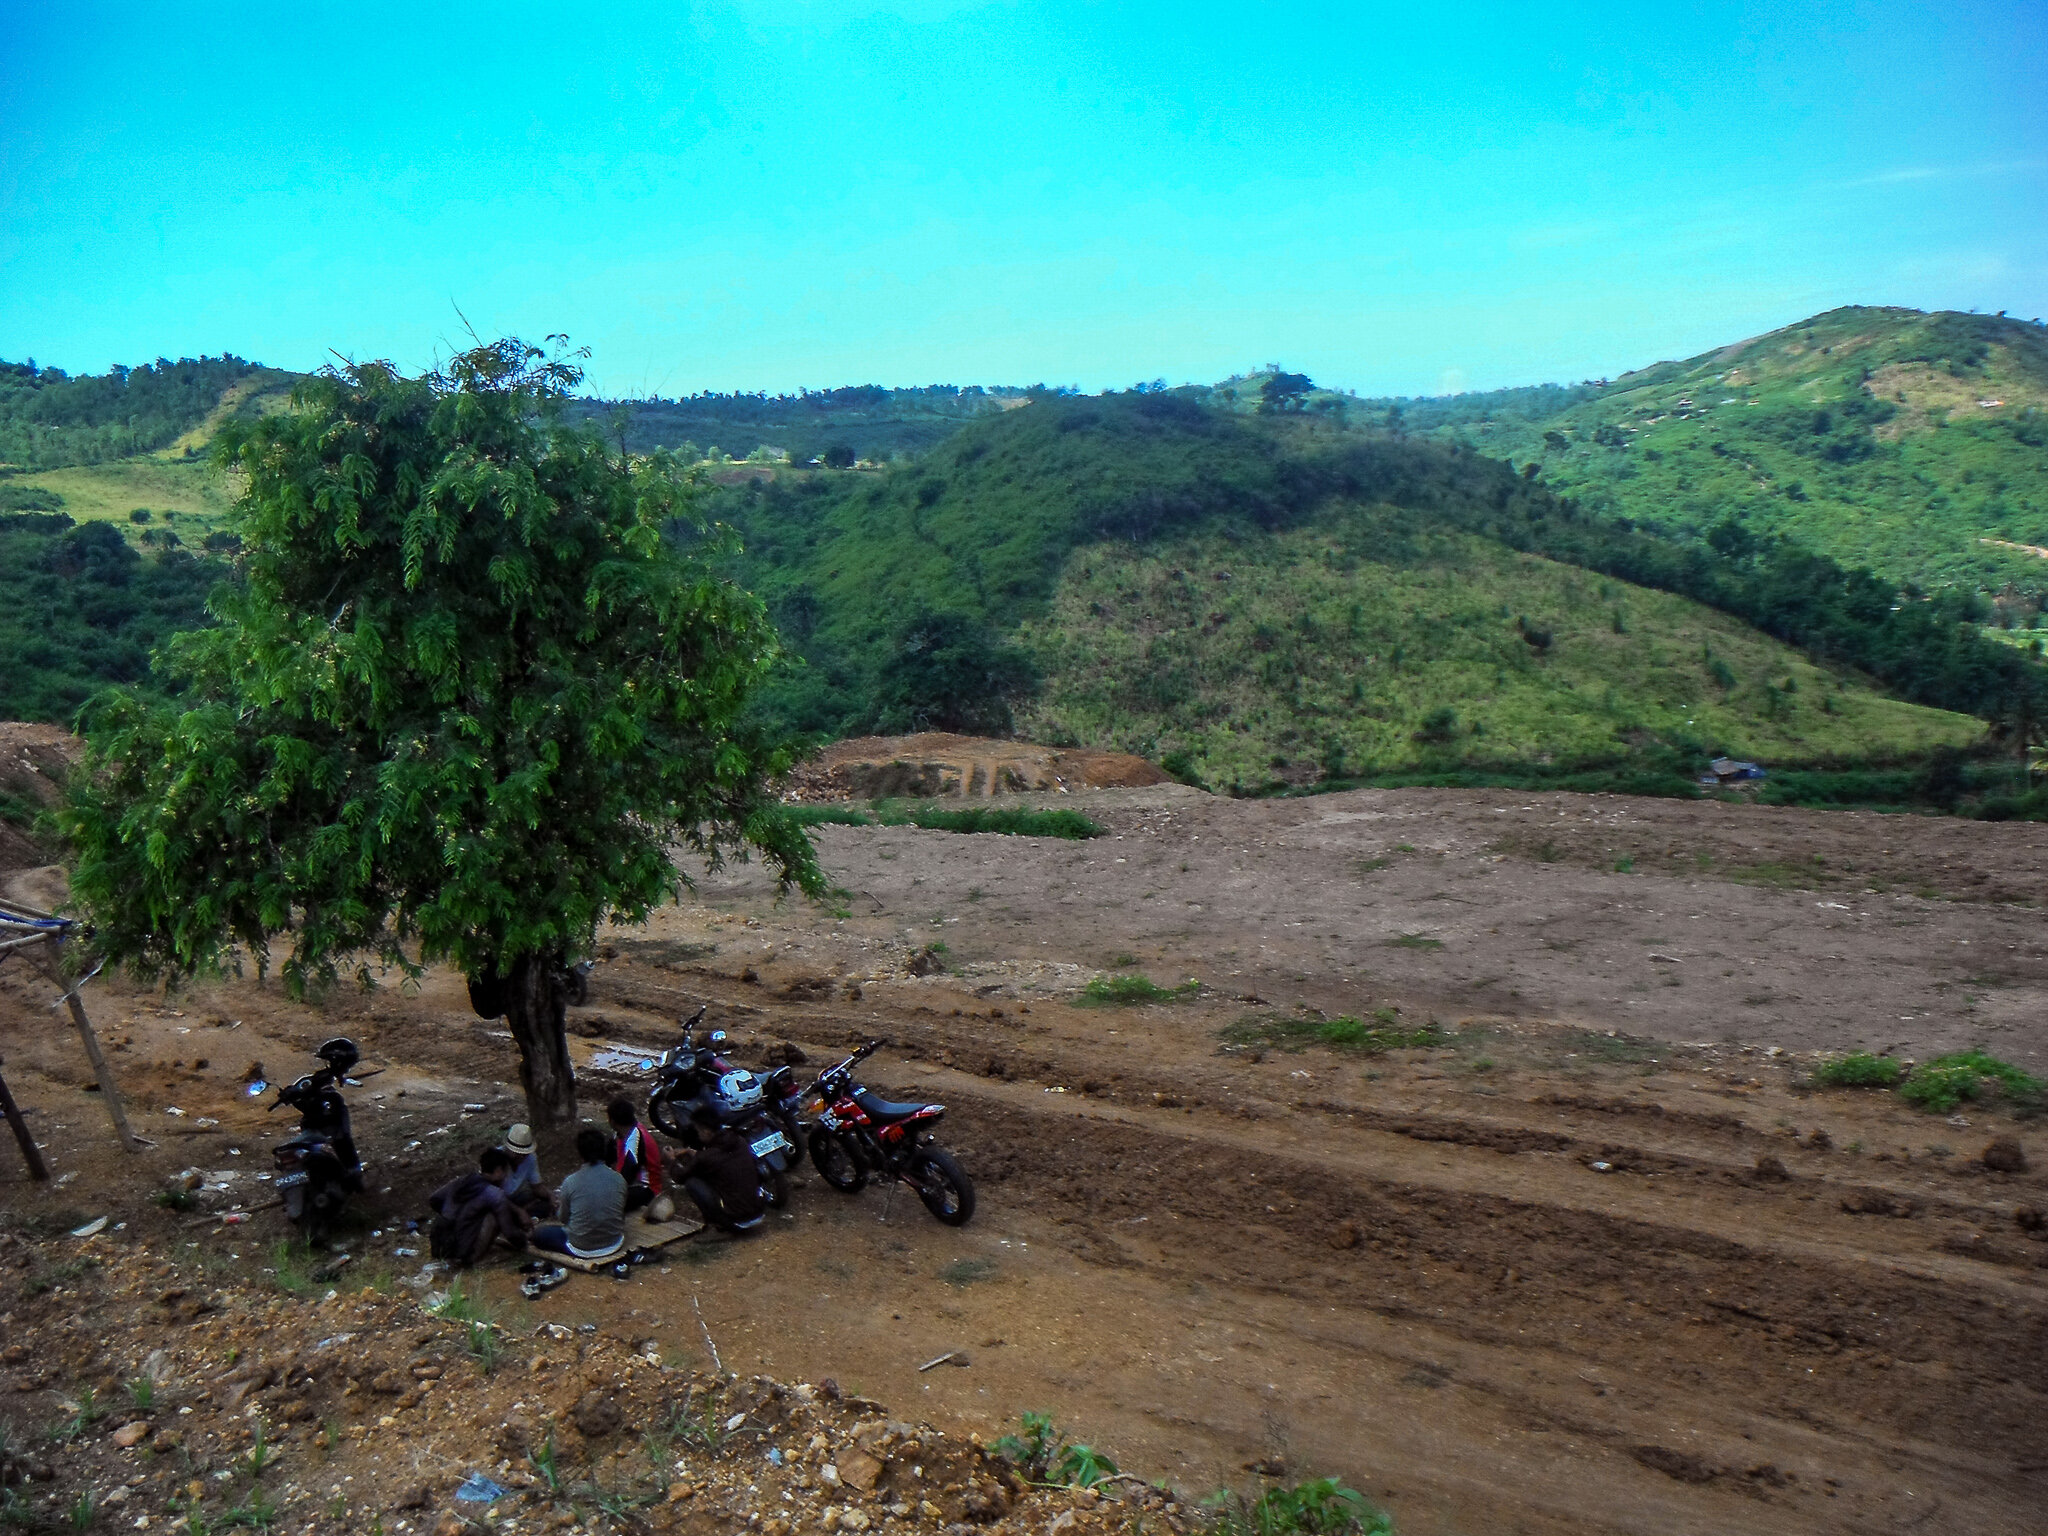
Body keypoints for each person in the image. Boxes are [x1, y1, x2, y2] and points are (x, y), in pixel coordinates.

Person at [532, 1127, 628, 1261]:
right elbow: (620, 1213)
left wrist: (559, 1207)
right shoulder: (619, 1179)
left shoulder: (571, 1182)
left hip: (582, 1247)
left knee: (539, 1234)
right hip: (614, 1242)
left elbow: (564, 1219)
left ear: (581, 1153)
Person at [427, 1147, 531, 1267]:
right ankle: (474, 1258)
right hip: (463, 1253)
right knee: (494, 1217)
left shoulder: (462, 1181)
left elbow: (434, 1199)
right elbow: (509, 1233)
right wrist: (525, 1240)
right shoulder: (495, 1194)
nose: (506, 1176)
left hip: (443, 1247)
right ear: (498, 1171)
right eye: (505, 1171)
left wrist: (454, 1217)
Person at [673, 1106, 768, 1235]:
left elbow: (680, 1177)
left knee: (692, 1183)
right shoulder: (738, 1141)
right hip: (759, 1210)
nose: (698, 1134)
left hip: (738, 1221)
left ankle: (716, 1223)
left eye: (698, 1130)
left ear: (706, 1131)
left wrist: (671, 1161)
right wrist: (694, 1153)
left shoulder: (706, 1157)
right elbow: (717, 1158)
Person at [607, 1096, 665, 1217]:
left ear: (612, 1121)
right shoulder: (622, 1133)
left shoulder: (636, 1141)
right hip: (629, 1183)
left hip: (646, 1190)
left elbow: (627, 1176)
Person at [500, 1123, 553, 1218]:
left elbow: (537, 1187)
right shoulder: (496, 1159)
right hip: (499, 1201)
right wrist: (519, 1211)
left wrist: (550, 1196)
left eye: (524, 1154)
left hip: (516, 1198)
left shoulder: (530, 1158)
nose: (521, 1157)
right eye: (517, 1153)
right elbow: (495, 1195)